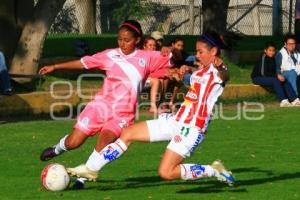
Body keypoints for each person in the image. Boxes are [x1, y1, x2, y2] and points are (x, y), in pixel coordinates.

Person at [67, 31, 235, 187]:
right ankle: (91, 168)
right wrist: (185, 70)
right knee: (127, 133)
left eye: (200, 52)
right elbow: (197, 79)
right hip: (176, 120)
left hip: (191, 129)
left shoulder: (219, 71)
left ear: (213, 51)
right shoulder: (201, 71)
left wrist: (220, 66)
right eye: (196, 51)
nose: (196, 55)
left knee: (166, 172)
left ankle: (214, 170)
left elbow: (224, 75)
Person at [39, 20, 172, 170]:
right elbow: (84, 62)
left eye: (127, 40)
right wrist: (55, 67)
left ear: (137, 40)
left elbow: (176, 56)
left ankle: (83, 177)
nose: (122, 43)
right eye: (120, 39)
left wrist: (168, 48)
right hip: (99, 107)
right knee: (73, 142)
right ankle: (57, 149)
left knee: (103, 144)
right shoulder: (109, 55)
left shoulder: (147, 57)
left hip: (123, 114)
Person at [251, 42, 300, 107]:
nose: (272, 52)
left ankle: (294, 100)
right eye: (270, 50)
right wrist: (277, 76)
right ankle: (283, 101)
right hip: (258, 78)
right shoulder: (263, 57)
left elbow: (276, 70)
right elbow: (263, 73)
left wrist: (280, 75)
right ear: (265, 50)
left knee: (284, 79)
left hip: (270, 77)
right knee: (276, 80)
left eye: (273, 51)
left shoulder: (274, 58)